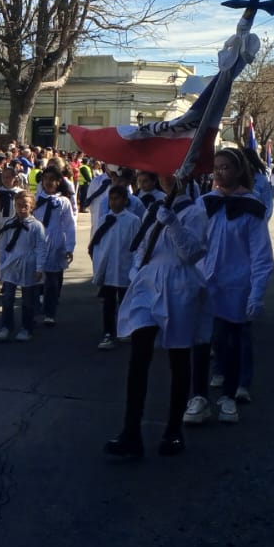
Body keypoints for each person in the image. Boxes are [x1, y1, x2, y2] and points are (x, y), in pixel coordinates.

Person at [104, 172, 208, 459]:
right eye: (161, 172)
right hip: (148, 285)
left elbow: (192, 253)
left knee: (178, 356)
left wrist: (173, 223)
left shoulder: (195, 211)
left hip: (178, 284)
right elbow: (142, 246)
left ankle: (174, 431)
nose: (164, 178)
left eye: (170, 173)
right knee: (139, 356)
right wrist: (137, 270)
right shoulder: (155, 207)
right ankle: (131, 431)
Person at [191, 149, 273, 424]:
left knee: (232, 342)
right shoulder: (205, 203)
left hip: (236, 285)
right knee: (202, 343)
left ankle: (229, 398)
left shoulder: (251, 206)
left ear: (238, 171)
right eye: (216, 167)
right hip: (205, 283)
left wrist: (257, 293)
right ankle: (199, 397)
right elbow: (191, 245)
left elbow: (261, 255)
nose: (219, 172)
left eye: (226, 167)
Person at [88, 186, 139, 350]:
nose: (113, 202)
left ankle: (125, 329)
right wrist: (98, 265)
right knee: (108, 302)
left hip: (125, 267)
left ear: (125, 200)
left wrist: (136, 267)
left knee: (126, 301)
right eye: (111, 199)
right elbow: (97, 244)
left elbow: (137, 246)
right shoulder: (105, 219)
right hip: (108, 268)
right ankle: (108, 332)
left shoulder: (133, 220)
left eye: (117, 198)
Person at [0, 191, 47, 342]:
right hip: (11, 263)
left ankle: (27, 327)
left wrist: (39, 268)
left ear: (32, 207)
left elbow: (41, 248)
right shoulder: (9, 224)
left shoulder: (36, 226)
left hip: (28, 263)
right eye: (18, 205)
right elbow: (3, 246)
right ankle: (6, 326)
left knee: (28, 299)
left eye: (25, 205)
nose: (22, 208)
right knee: (7, 297)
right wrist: (0, 266)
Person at [35, 167, 77, 326]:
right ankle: (35, 308)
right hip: (38, 242)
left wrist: (69, 246)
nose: (48, 182)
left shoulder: (63, 201)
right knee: (36, 278)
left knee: (52, 280)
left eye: (52, 179)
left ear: (58, 182)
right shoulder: (36, 199)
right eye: (45, 178)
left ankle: (50, 312)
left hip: (56, 243)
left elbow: (69, 225)